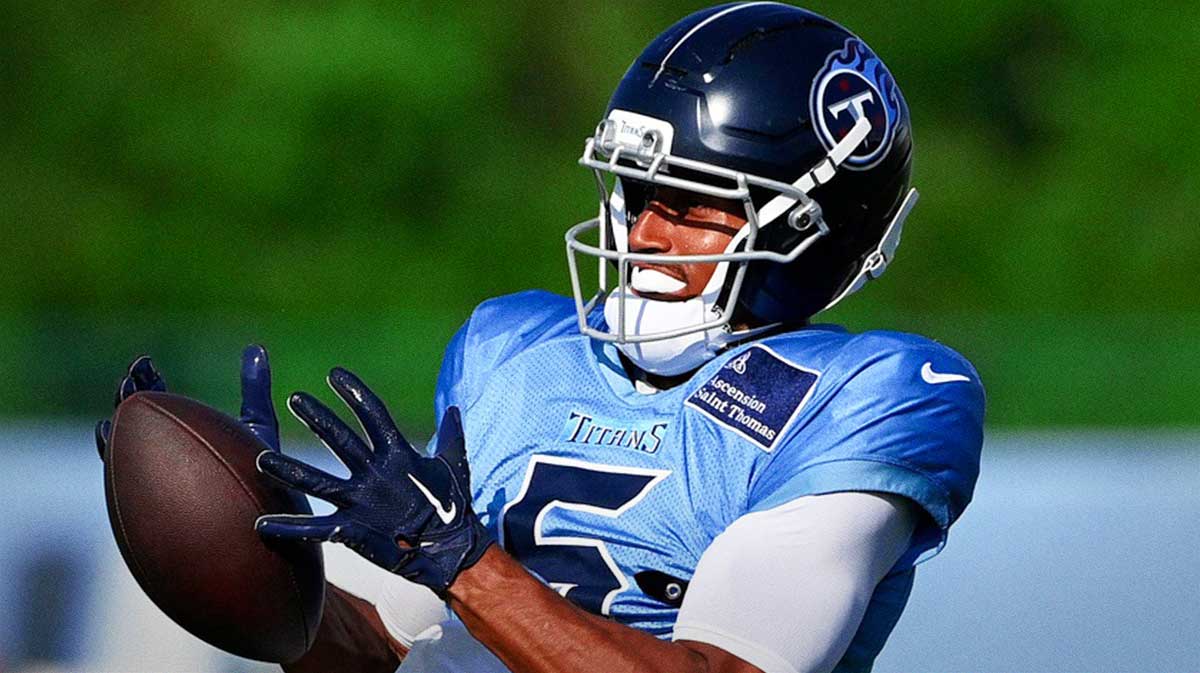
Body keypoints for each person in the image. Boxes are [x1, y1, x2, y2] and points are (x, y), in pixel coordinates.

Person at [96, 4, 984, 673]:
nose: (644, 234)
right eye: (638, 195)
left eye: (693, 204)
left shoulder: (873, 392)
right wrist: (264, 571)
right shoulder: (512, 346)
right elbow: (390, 651)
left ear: (817, 225)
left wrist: (463, 562)